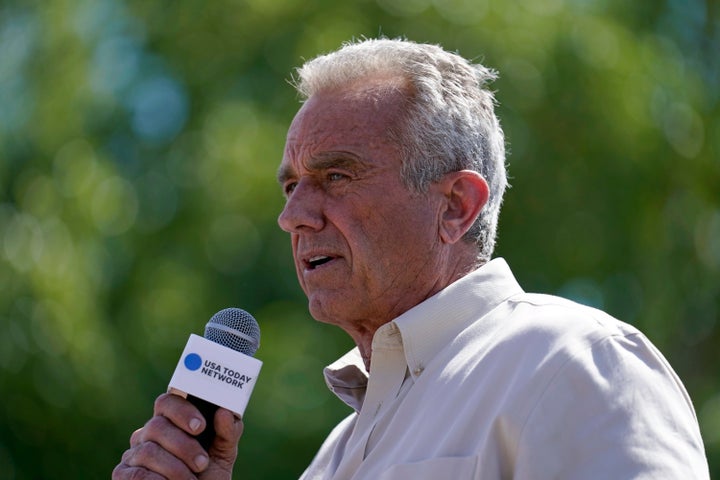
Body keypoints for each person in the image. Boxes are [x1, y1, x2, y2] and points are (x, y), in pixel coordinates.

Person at [113, 38, 709, 479]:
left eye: (337, 175)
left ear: (456, 206)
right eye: (291, 186)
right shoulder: (332, 458)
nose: (294, 216)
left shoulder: (572, 362)